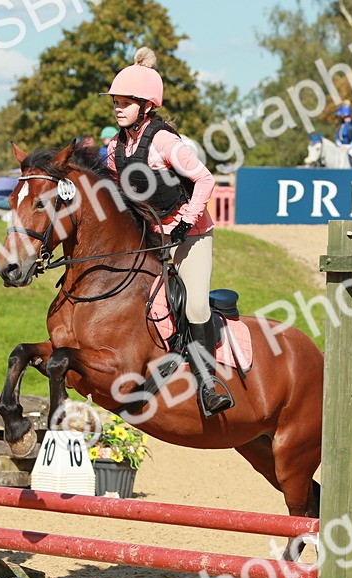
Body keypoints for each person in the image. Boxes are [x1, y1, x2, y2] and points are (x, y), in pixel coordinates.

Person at [102, 46, 231, 416]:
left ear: (146, 106)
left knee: (193, 303)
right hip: (154, 237)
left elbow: (205, 180)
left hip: (191, 235)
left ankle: (209, 383)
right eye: (116, 102)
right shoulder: (115, 148)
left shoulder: (164, 142)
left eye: (125, 102)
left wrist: (188, 220)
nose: (117, 108)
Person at [334, 99, 352, 169]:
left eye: (345, 117)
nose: (344, 118)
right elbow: (337, 136)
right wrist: (339, 144)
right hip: (341, 147)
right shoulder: (341, 125)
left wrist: (348, 146)